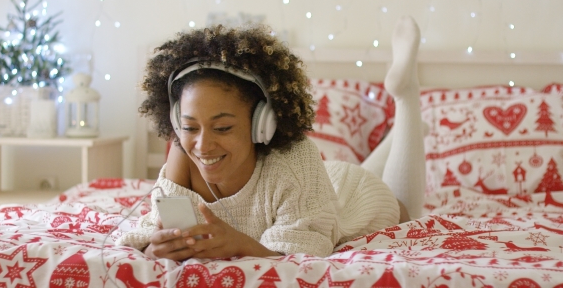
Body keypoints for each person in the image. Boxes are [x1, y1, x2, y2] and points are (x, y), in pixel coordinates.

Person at [116, 16, 425, 260]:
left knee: (408, 210)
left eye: (222, 128)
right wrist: (155, 248)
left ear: (260, 125)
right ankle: (397, 133)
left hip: (350, 199)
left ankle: (407, 96)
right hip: (311, 187)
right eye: (190, 127)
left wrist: (238, 244)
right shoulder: (182, 156)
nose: (203, 145)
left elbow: (304, 253)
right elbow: (152, 229)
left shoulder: (296, 158)